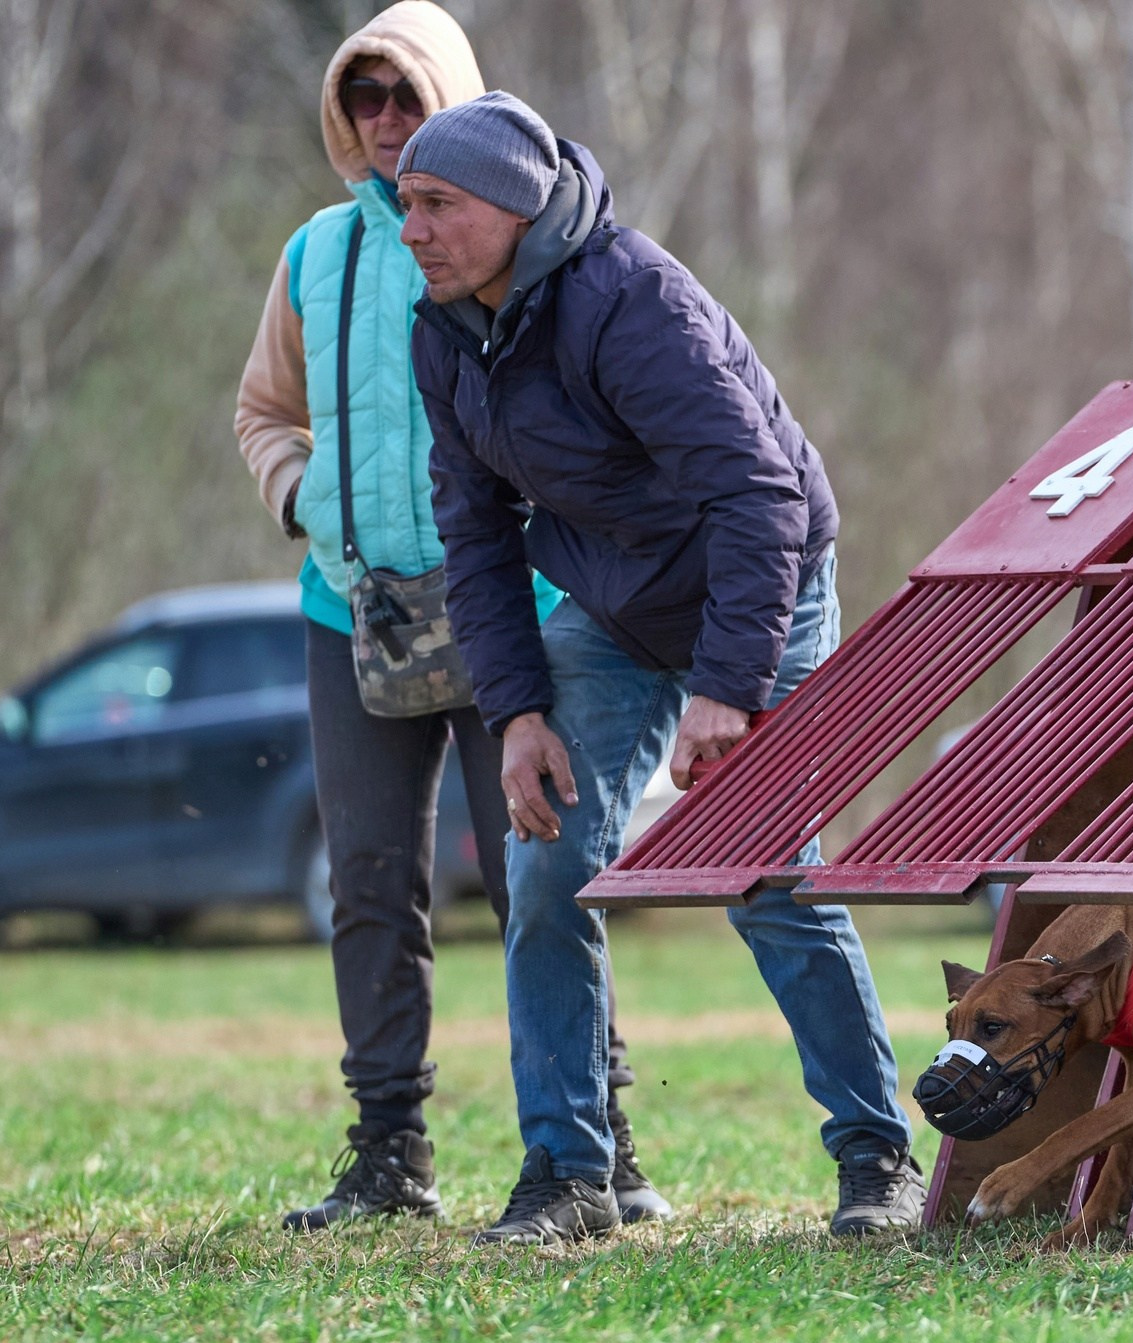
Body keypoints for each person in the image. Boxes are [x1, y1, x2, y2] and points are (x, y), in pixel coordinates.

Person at [394, 93, 921, 1243]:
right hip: (618, 607)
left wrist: (729, 687)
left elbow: (761, 499)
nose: (413, 228)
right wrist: (516, 710)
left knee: (763, 872)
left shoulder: (630, 299)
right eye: (405, 204)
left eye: (437, 204)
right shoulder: (442, 329)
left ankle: (879, 1159)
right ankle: (569, 1174)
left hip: (761, 586)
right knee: (545, 869)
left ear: (516, 207)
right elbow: (473, 531)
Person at [233, 2, 668, 1233]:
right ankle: (388, 1154)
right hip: (352, 611)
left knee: (545, 877)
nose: (383, 118)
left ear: (456, 104)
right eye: (361, 96)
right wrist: (303, 497)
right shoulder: (315, 253)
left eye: (405, 95)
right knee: (370, 885)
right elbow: (263, 412)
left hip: (513, 605)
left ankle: (602, 1148)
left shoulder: (518, 248)